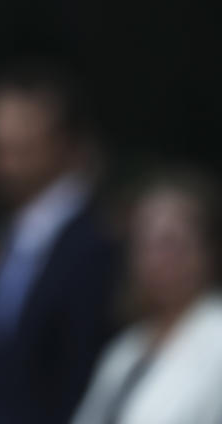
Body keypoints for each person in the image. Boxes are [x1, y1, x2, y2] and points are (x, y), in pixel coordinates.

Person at [0, 62, 120, 424]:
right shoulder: (2, 241)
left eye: (19, 140)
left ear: (63, 141)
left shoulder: (96, 245)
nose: (1, 154)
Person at [72, 167, 222, 424]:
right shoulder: (125, 348)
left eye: (170, 243)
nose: (155, 260)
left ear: (209, 251)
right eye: (143, 243)